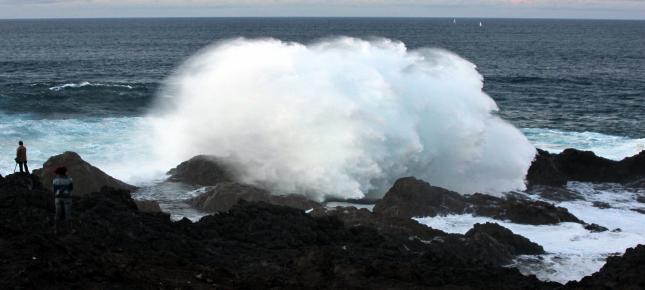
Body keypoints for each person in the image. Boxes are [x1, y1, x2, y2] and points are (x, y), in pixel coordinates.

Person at [53, 167, 74, 234]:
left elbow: (54, 190)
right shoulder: (69, 180)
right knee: (68, 214)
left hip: (58, 198)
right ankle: (69, 230)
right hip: (67, 198)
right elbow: (71, 189)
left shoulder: (55, 180)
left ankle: (56, 230)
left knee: (57, 214)